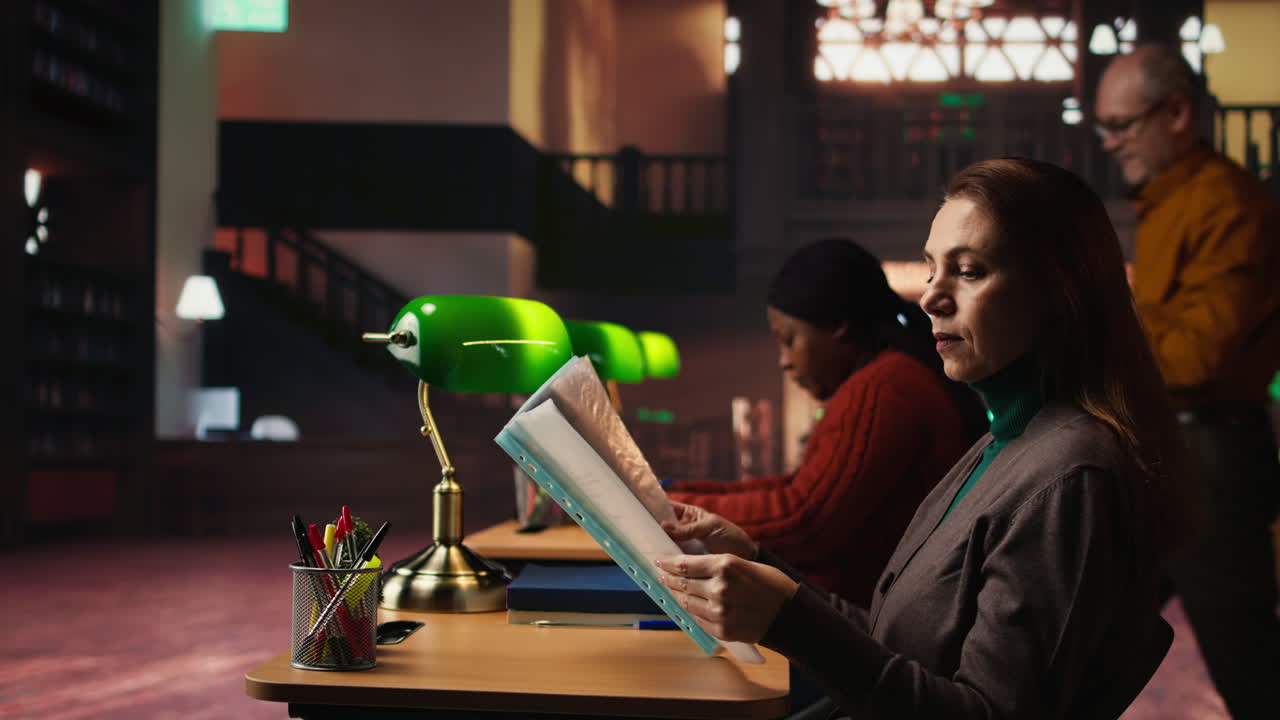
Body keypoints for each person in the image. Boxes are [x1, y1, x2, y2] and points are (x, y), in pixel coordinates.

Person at [655, 158, 1192, 719]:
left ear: (1059, 292)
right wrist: (759, 561)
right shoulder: (1003, 442)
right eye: (932, 269)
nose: (931, 298)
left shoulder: (1069, 476)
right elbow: (892, 641)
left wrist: (787, 619)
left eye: (970, 270)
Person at [1095, 45, 1280, 718]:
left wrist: (1110, 323)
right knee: (1094, 637)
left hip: (1212, 465)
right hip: (1173, 453)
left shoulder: (1229, 203)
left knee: (1249, 665)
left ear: (1177, 112)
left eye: (1122, 124)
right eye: (1104, 127)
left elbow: (1200, 355)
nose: (1111, 143)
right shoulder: (1171, 198)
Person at [665, 237, 987, 607]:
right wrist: (673, 496)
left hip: (868, 628)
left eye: (789, 340)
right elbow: (799, 489)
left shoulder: (884, 388)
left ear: (838, 326)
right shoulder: (889, 378)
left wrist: (671, 507)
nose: (784, 360)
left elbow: (804, 520)